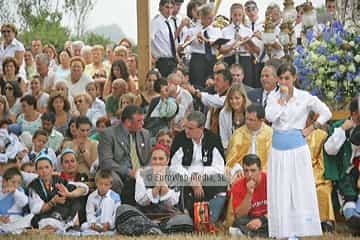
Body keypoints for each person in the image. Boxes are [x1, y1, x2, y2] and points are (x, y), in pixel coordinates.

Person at [265, 63, 332, 238]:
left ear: (294, 78)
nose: (284, 82)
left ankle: (300, 230)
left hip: (297, 150)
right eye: (281, 79)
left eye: (287, 78)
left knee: (298, 189)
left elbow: (326, 112)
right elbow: (270, 117)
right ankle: (283, 231)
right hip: (278, 152)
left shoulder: (305, 97)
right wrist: (283, 101)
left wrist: (312, 128)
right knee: (281, 189)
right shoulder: (273, 97)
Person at [169, 111, 227, 215]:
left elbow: (219, 168)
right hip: (185, 178)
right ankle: (187, 216)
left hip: (205, 177)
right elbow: (174, 166)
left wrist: (199, 176)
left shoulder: (213, 139)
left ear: (201, 128)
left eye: (190, 128)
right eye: (185, 127)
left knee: (221, 184)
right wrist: (191, 179)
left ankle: (211, 219)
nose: (186, 131)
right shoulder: (180, 138)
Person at [99, 104, 151, 205]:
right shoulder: (108, 134)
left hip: (141, 172)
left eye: (142, 120)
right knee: (113, 179)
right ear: (128, 122)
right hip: (119, 173)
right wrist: (128, 172)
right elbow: (106, 162)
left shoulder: (145, 134)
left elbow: (149, 158)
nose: (143, 123)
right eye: (139, 121)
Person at [323, 98, 360, 234]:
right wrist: (342, 130)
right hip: (346, 174)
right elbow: (330, 149)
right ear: (355, 113)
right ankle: (354, 220)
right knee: (348, 197)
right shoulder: (339, 126)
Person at [28, 151, 89, 231]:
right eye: (40, 168)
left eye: (47, 167)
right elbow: (36, 209)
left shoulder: (58, 180)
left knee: (72, 191)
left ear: (52, 168)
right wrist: (53, 201)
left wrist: (69, 194)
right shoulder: (34, 186)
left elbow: (84, 188)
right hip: (44, 217)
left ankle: (73, 225)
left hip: (62, 214)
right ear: (36, 171)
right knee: (48, 223)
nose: (44, 171)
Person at [305, 111, 335, 232]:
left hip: (316, 173)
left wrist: (312, 178)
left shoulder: (321, 135)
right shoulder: (291, 134)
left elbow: (322, 161)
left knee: (322, 190)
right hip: (295, 172)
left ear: (311, 120)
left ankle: (324, 221)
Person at [135, 144, 181, 220]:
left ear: (167, 160)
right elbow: (140, 200)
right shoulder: (141, 174)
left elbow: (173, 202)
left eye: (161, 159)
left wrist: (163, 185)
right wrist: (156, 189)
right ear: (150, 160)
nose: (157, 162)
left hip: (168, 214)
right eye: (154, 159)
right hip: (145, 214)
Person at [220, 3, 259, 88]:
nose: (237, 18)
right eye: (235, 15)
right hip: (229, 59)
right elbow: (221, 50)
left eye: (239, 15)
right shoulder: (224, 31)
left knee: (246, 85)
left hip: (245, 60)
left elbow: (255, 51)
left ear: (243, 15)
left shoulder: (248, 30)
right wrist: (232, 45)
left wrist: (246, 42)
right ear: (231, 15)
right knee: (229, 85)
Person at [226, 103, 272, 175]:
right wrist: (237, 168)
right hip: (242, 173)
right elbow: (231, 160)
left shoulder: (270, 134)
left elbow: (273, 161)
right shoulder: (238, 133)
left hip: (264, 175)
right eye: (246, 118)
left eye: (251, 120)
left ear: (261, 120)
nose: (247, 122)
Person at [184, 3, 221, 90]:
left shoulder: (217, 30)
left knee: (212, 84)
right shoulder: (192, 31)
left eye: (212, 17)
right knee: (197, 85)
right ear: (202, 17)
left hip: (212, 59)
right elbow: (181, 47)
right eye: (209, 18)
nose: (212, 20)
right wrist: (189, 40)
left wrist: (204, 39)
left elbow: (217, 45)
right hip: (198, 59)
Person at [230, 154, 268, 237]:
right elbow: (240, 215)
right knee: (238, 222)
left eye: (253, 170)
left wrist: (261, 220)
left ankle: (249, 234)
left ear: (260, 170)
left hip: (267, 218)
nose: (249, 174)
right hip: (250, 219)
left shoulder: (270, 180)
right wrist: (249, 194)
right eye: (246, 171)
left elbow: (280, 208)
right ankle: (262, 234)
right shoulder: (238, 185)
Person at [81, 169, 121, 234]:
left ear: (110, 185)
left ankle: (104, 230)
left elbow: (116, 214)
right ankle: (98, 231)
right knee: (84, 226)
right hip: (97, 223)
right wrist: (92, 223)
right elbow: (89, 212)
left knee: (107, 201)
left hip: (108, 223)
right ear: (96, 183)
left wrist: (109, 224)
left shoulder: (115, 197)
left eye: (106, 185)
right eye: (101, 184)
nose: (103, 187)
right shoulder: (92, 196)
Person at [144, 78, 178, 142]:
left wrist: (164, 99)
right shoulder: (155, 100)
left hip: (162, 126)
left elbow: (165, 116)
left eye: (166, 89)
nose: (163, 90)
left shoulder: (173, 103)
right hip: (149, 125)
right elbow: (148, 115)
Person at [0, 167, 33, 233]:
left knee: (31, 216)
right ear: (4, 181)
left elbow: (24, 202)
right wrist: (1, 217)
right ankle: (10, 229)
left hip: (16, 218)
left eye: (18, 183)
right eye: (13, 182)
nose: (16, 185)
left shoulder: (19, 191)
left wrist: (15, 191)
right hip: (3, 219)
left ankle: (7, 229)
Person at [219, 84, 250, 149]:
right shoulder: (223, 113)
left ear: (243, 98)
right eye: (231, 98)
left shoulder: (251, 112)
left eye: (237, 98)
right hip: (231, 150)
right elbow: (224, 137)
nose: (234, 101)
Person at [151, 0, 177, 77]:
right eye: (167, 7)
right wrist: (152, 56)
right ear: (161, 7)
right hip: (162, 60)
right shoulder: (156, 22)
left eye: (171, 8)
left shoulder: (170, 22)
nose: (169, 10)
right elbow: (149, 39)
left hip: (172, 60)